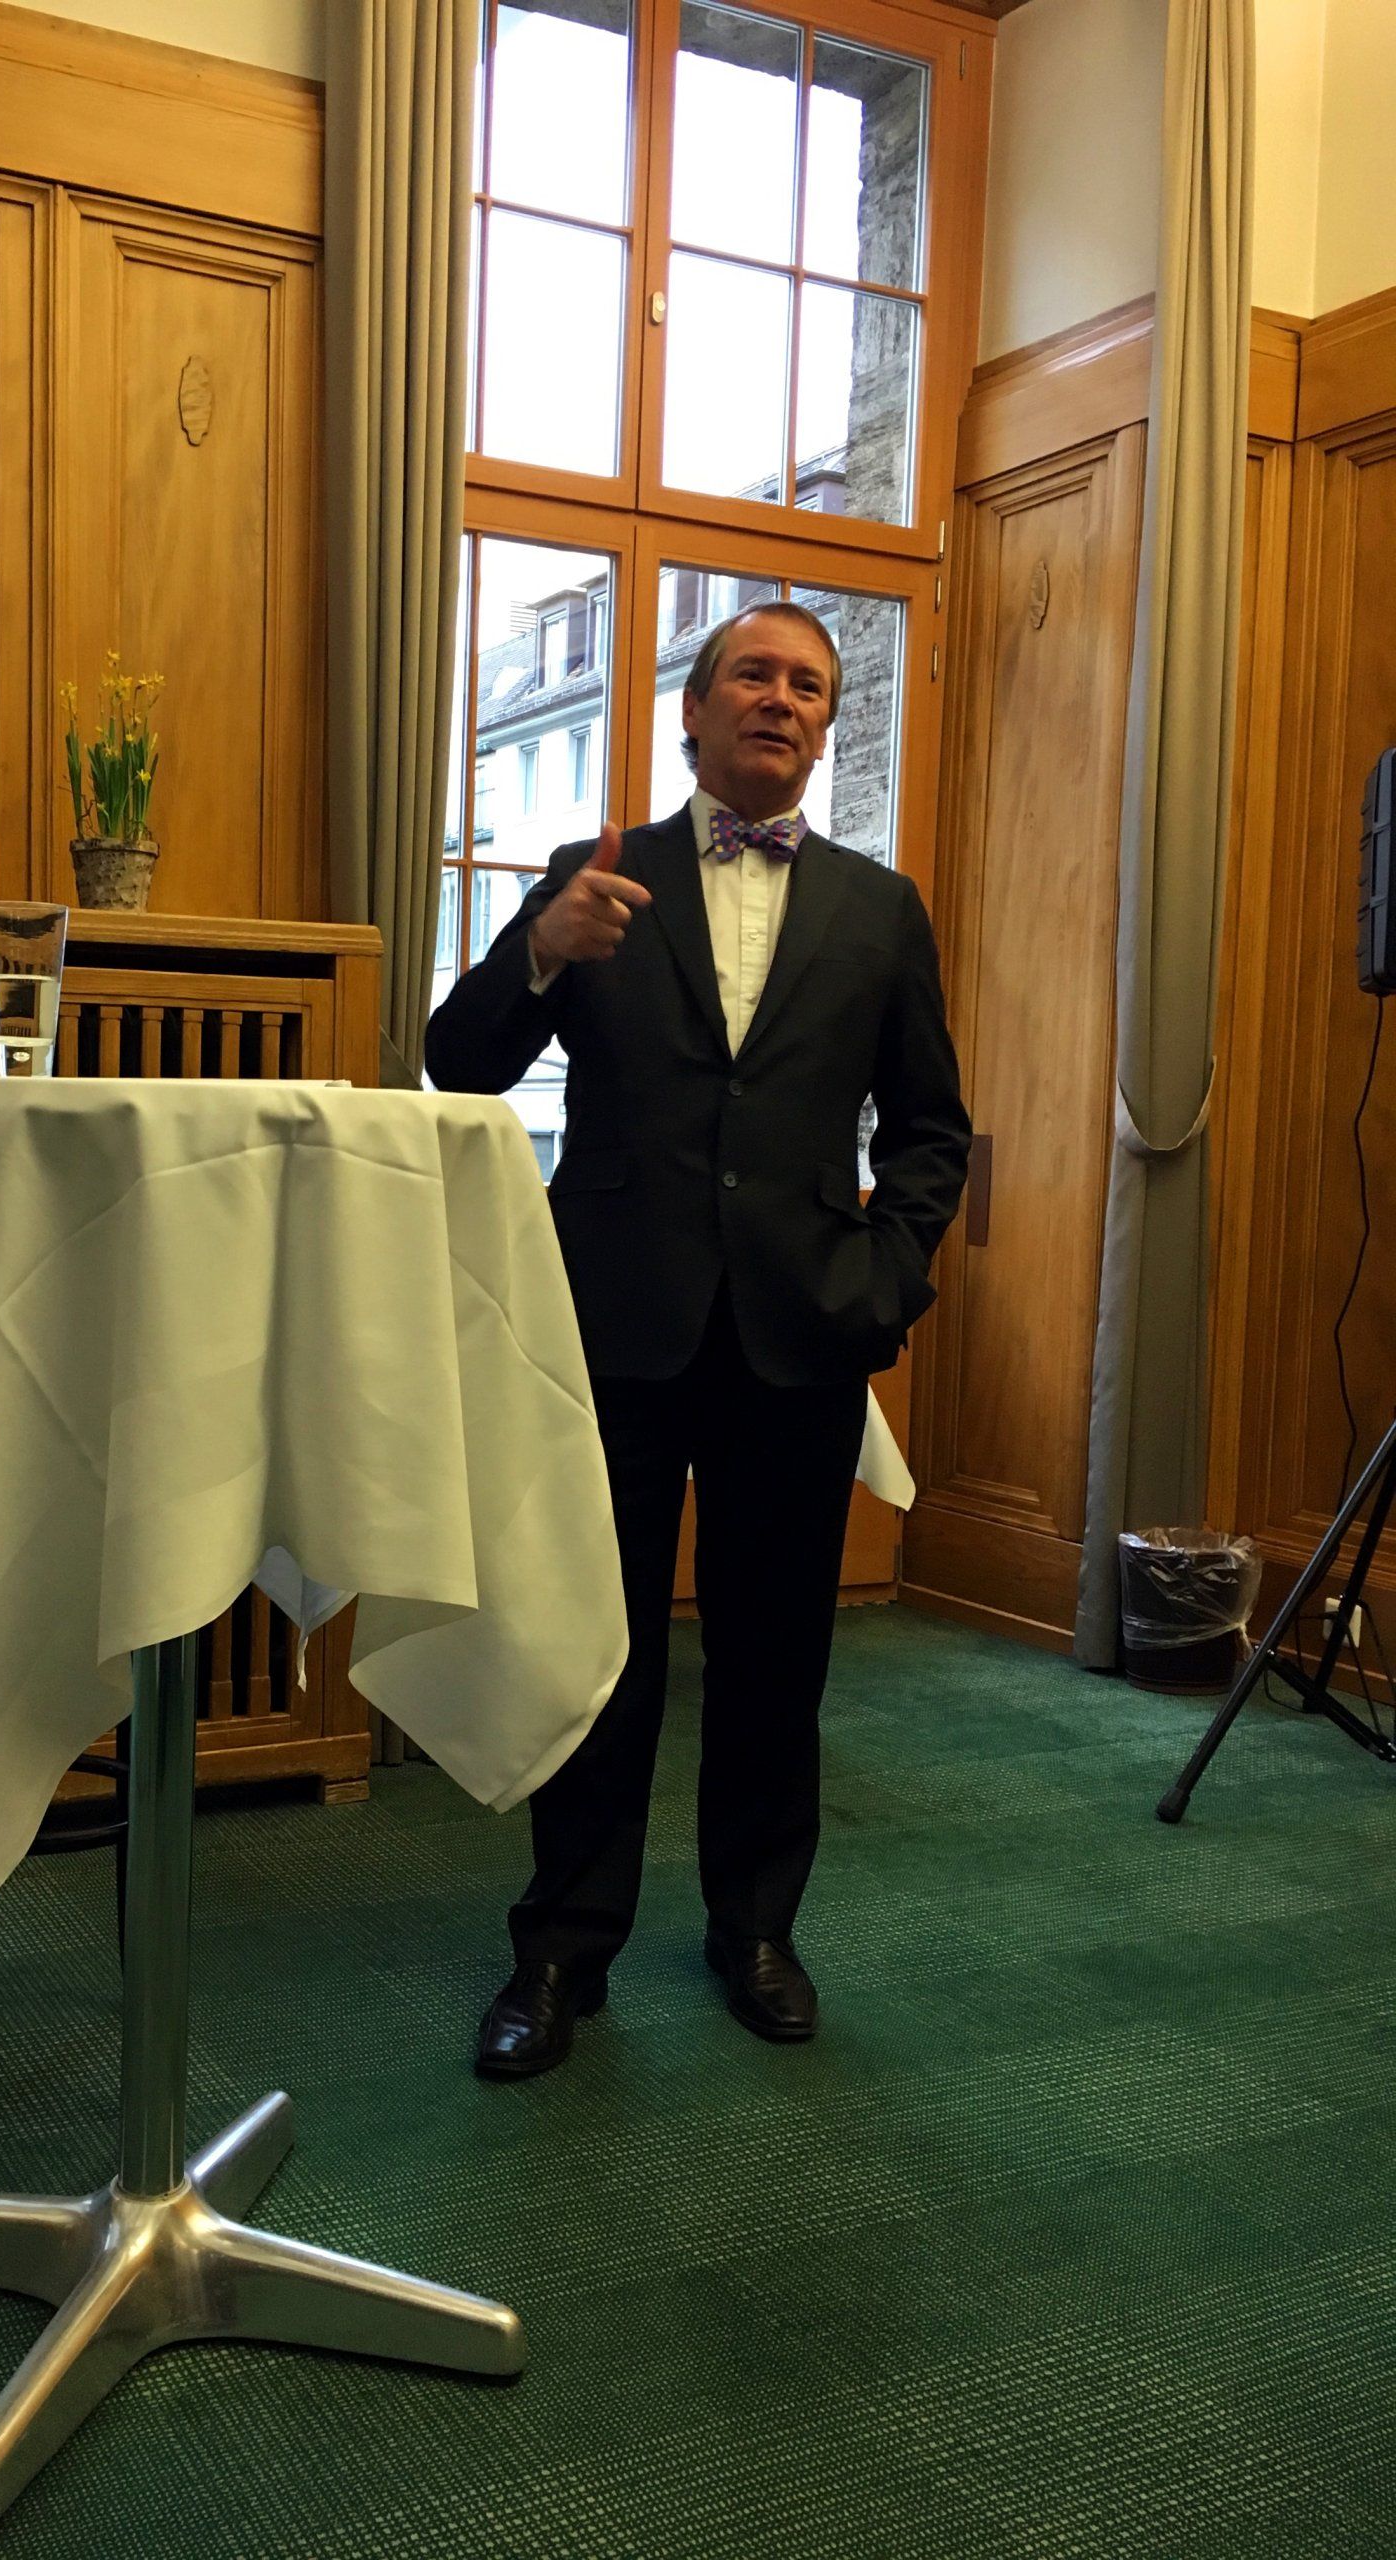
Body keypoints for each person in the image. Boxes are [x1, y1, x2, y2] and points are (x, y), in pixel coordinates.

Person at [423, 601, 971, 2077]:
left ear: (825, 724)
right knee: (594, 1646)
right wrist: (542, 953)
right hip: (612, 1322)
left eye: (808, 685)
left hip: (803, 1330)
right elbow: (457, 1065)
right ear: (694, 708)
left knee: (775, 1653)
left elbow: (931, 1128)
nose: (779, 700)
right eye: (752, 675)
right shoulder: (597, 875)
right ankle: (561, 1946)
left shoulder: (881, 909)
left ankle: (758, 1929)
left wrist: (888, 1275)